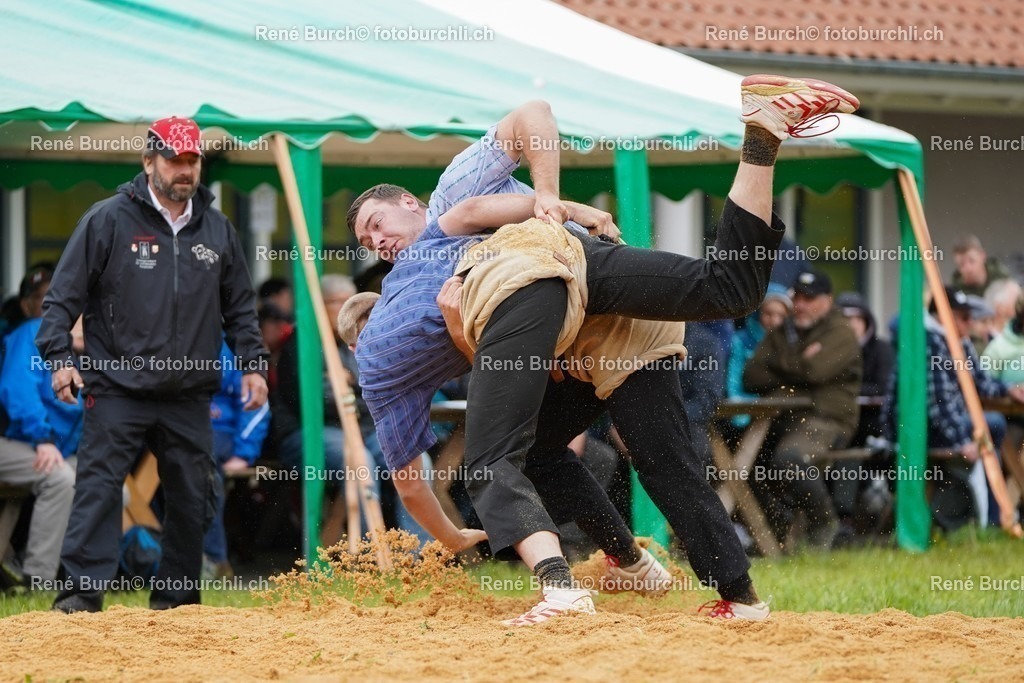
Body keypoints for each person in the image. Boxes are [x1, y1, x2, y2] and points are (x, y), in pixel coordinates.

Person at [352, 76, 859, 623]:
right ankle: (722, 592)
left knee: (724, 298)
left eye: (376, 225)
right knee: (640, 451)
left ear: (409, 202)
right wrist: (568, 209)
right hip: (583, 330)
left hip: (571, 280)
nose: (375, 243)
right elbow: (483, 344)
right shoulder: (412, 282)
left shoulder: (448, 204)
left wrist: (552, 198)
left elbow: (531, 114)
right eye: (363, 243)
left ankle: (570, 586)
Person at [36, 116, 269, 613]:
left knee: (194, 497)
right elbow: (61, 299)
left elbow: (241, 309)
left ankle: (178, 602)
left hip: (190, 392)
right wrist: (58, 358)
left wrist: (252, 365)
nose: (184, 170)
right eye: (174, 159)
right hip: (116, 387)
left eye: (192, 160)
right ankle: (79, 598)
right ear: (148, 162)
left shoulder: (219, 228)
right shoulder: (107, 219)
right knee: (97, 491)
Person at [743, 269, 863, 548]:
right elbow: (752, 376)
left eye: (810, 298)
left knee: (789, 459)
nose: (801, 305)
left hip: (827, 419)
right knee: (739, 464)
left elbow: (816, 372)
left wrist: (782, 364)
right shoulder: (785, 329)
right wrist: (798, 361)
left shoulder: (841, 331)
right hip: (780, 419)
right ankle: (774, 530)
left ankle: (824, 522)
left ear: (827, 300)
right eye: (798, 297)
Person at [0, 267, 77, 587]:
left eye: (54, 297)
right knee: (60, 478)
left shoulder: (82, 342)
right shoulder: (31, 333)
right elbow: (17, 391)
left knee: (113, 487)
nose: (49, 306)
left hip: (48, 447)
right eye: (41, 299)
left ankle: (96, 576)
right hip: (17, 441)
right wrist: (43, 437)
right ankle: (39, 581)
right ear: (26, 305)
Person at [203, 340, 271, 578]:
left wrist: (243, 452)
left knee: (201, 461)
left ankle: (214, 559)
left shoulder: (230, 345)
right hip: (172, 424)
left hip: (220, 432)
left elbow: (255, 403)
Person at [725, 283, 792, 429]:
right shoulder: (742, 340)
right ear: (758, 313)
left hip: (781, 411)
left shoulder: (791, 342)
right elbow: (733, 379)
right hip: (746, 410)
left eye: (780, 315)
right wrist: (741, 407)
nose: (774, 320)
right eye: (769, 314)